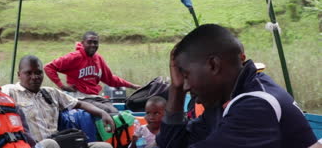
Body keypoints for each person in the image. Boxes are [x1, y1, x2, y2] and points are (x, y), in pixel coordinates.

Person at [156, 24, 317, 148]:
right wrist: (176, 90)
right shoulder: (225, 102)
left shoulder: (256, 106)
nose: (185, 86)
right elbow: (172, 144)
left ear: (213, 65)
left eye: (185, 75)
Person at [2, 55, 115, 148]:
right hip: (33, 146)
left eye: (38, 73)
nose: (34, 77)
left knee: (104, 147)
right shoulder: (10, 91)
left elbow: (80, 103)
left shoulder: (51, 93)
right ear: (19, 75)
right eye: (29, 73)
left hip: (59, 142)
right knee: (49, 144)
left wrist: (103, 113)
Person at [44, 31, 140, 113]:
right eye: (89, 42)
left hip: (95, 97)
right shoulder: (74, 57)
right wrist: (62, 86)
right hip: (80, 98)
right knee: (107, 112)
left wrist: (132, 86)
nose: (93, 45)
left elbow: (110, 79)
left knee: (115, 111)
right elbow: (48, 67)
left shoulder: (98, 59)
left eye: (95, 42)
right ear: (83, 43)